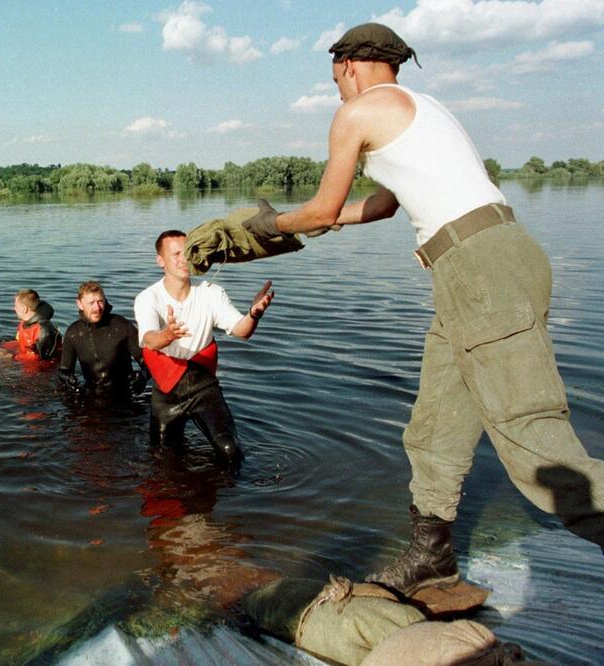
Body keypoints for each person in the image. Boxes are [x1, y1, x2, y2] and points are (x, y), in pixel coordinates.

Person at [251, 22, 604, 594]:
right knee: (435, 425)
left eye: (335, 77)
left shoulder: (359, 111)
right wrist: (323, 218)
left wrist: (268, 227)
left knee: (531, 443)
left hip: (478, 269)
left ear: (347, 65)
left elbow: (320, 209)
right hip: (486, 264)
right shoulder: (421, 108)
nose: (338, 88)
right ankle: (432, 557)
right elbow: (384, 206)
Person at [134, 230, 272, 469]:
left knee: (230, 452)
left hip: (203, 386)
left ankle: (225, 500)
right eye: (175, 254)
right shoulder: (148, 298)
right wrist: (167, 335)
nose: (183, 259)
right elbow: (148, 339)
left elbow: (241, 331)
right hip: (167, 392)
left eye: (187, 252)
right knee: (163, 461)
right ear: (160, 260)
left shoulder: (210, 293)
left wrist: (253, 314)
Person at [58, 281, 150, 397]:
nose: (97, 308)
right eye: (91, 303)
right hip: (91, 395)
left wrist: (143, 377)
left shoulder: (121, 326)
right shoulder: (73, 332)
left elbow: (148, 362)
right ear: (80, 304)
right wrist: (66, 378)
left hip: (122, 396)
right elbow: (65, 369)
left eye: (100, 301)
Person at [12, 289, 61, 362]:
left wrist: (11, 357)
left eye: (16, 306)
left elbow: (39, 360)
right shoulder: (24, 323)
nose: (14, 308)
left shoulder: (43, 330)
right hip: (24, 359)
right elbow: (20, 343)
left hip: (39, 369)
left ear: (24, 309)